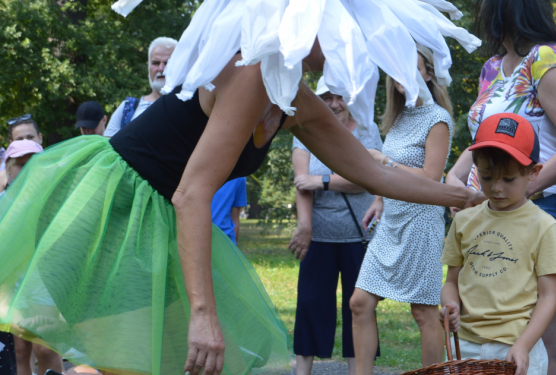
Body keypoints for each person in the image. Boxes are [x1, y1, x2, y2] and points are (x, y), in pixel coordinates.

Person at [0, 0, 484, 373]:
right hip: (115, 211)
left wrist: (459, 195)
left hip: (160, 220)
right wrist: (203, 313)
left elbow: (373, 173)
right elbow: (192, 193)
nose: (344, 47)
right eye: (338, 34)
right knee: (121, 354)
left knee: (147, 359)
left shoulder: (292, 97)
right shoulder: (251, 75)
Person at [445, 1, 556, 373]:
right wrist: (455, 180)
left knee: (539, 337)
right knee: (489, 333)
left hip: (537, 211)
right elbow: (483, 138)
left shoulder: (545, 59)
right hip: (485, 213)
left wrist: (522, 191)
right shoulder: (492, 68)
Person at [348, 44, 456, 375]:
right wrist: (380, 198)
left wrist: (385, 162)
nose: (404, 73)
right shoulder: (398, 118)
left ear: (427, 73)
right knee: (359, 303)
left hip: (421, 223)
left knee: (423, 312)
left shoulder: (438, 118)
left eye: (413, 65)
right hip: (391, 222)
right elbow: (389, 177)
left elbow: (431, 179)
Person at [441, 113, 556, 375]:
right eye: (486, 177)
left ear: (533, 172)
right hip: (466, 346)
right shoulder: (463, 221)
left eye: (508, 179)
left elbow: (549, 296)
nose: (496, 188)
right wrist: (450, 305)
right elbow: (451, 281)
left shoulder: (544, 226)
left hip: (517, 347)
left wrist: (523, 345)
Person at [286, 77, 383, 375]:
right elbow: (301, 180)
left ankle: (358, 370)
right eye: (326, 96)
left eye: (339, 96)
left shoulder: (367, 130)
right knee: (311, 303)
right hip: (318, 234)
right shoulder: (304, 130)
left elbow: (368, 177)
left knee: (359, 307)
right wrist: (304, 226)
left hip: (359, 235)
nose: (334, 103)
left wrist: (322, 181)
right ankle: (303, 371)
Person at [0, 140, 65, 375]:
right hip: (11, 287)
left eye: (33, 164)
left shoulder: (52, 203)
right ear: (8, 167)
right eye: (20, 165)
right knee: (19, 350)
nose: (26, 170)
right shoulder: (1, 204)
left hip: (43, 283)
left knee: (46, 348)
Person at [103, 37, 177, 138]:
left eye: (167, 63)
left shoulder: (188, 109)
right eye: (155, 63)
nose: (161, 68)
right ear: (149, 67)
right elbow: (108, 149)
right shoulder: (127, 108)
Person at [210, 177, 247, 244]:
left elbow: (235, 217)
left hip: (225, 241)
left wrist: (234, 248)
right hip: (195, 238)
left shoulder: (239, 176)